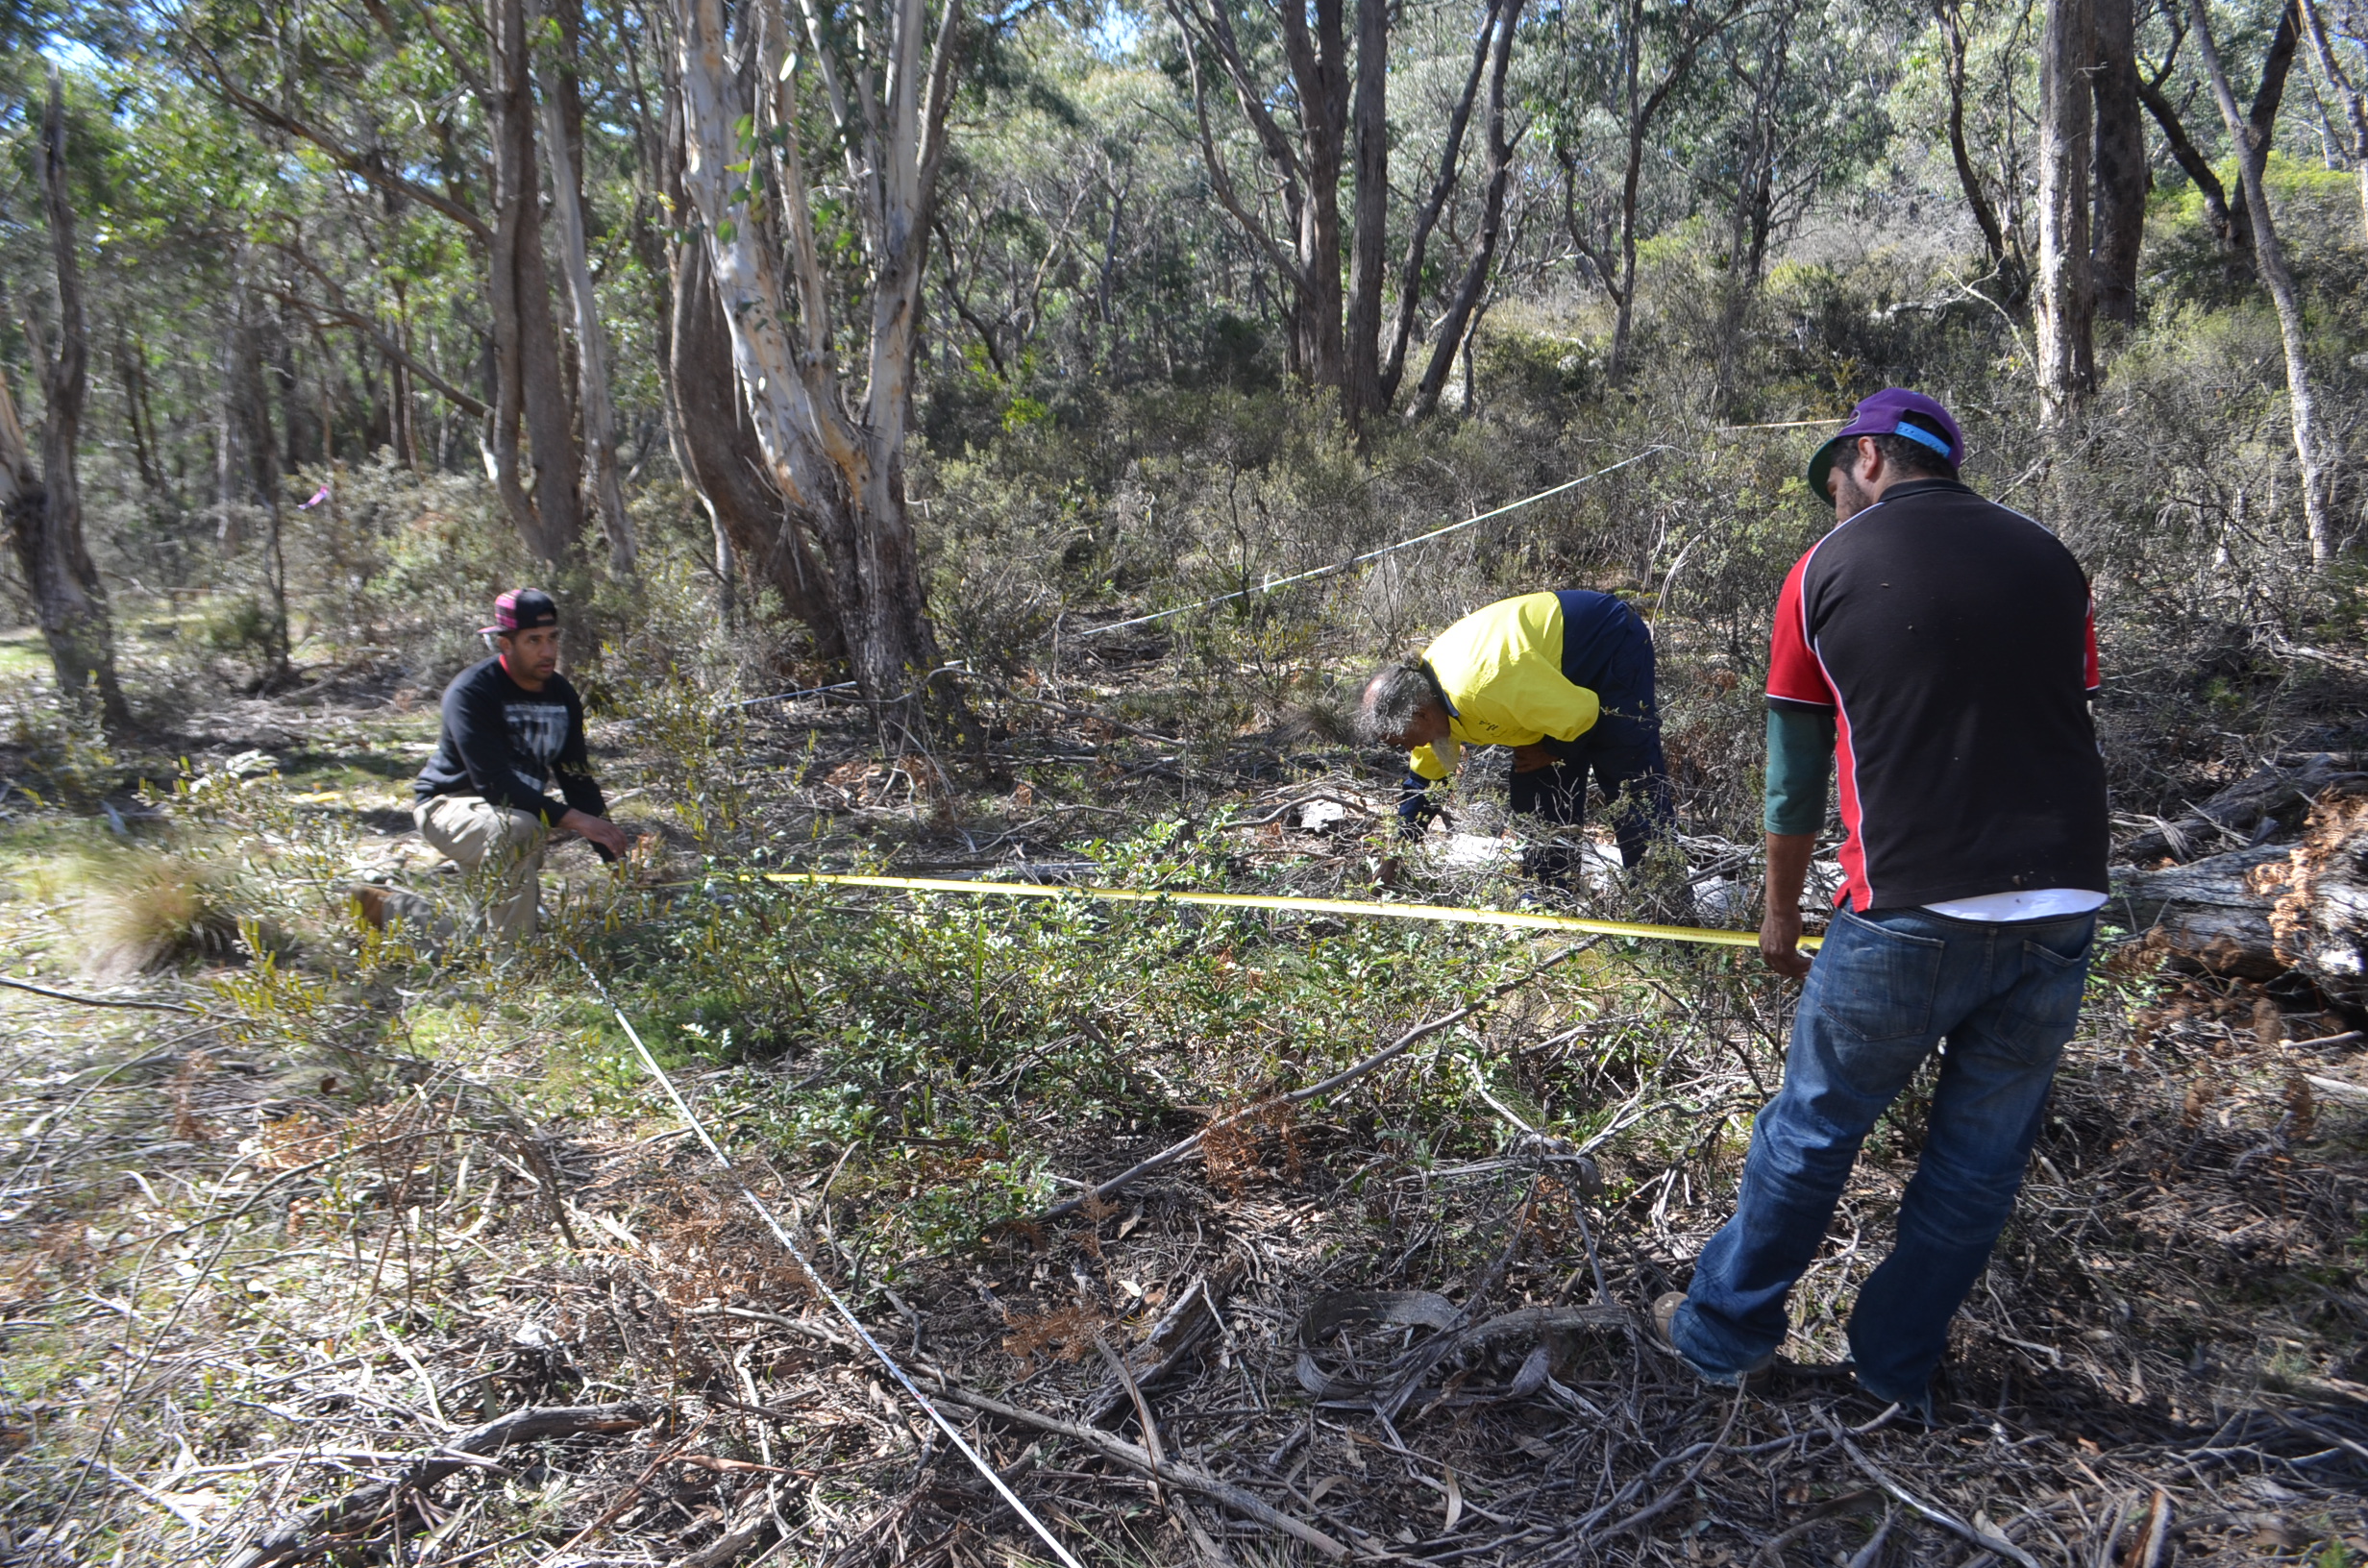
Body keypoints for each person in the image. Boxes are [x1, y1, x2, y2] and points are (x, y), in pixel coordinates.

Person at [1654, 388, 2109, 1417]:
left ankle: (1720, 1338)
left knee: (1810, 1133)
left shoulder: (1825, 570)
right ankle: (1894, 1370)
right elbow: (2055, 718)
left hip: (1908, 904)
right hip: (2063, 899)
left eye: (1833, 485)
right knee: (1976, 1165)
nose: (1832, 506)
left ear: (1868, 456)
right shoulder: (2049, 557)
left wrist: (1778, 910)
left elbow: (1791, 774)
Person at [1355, 589, 1677, 879]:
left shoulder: (1482, 686)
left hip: (1604, 641)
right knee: (1534, 774)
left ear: (1421, 713)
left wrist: (1552, 747)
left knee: (1629, 776)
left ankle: (1661, 899)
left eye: (1403, 741)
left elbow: (1582, 714)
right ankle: (1546, 896)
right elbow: (1423, 786)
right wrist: (1395, 857)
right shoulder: (1430, 709)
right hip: (1539, 680)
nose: (1410, 747)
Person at [408, 588, 629, 943]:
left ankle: (392, 910)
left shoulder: (561, 694)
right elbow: (493, 783)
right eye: (533, 640)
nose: (547, 651)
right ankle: (517, 970)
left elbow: (577, 780)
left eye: (553, 638)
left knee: (475, 938)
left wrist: (614, 859)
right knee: (520, 830)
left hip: (508, 812)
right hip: (448, 807)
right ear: (505, 644)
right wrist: (576, 820)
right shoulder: (472, 691)